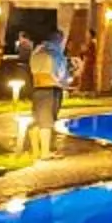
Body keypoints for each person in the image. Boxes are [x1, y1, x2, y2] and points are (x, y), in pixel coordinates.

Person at [28, 27, 70, 158]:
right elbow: (60, 73)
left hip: (37, 88)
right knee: (47, 121)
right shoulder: (56, 54)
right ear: (59, 39)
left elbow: (32, 69)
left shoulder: (37, 52)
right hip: (51, 88)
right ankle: (45, 153)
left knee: (37, 120)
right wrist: (65, 85)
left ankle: (35, 150)